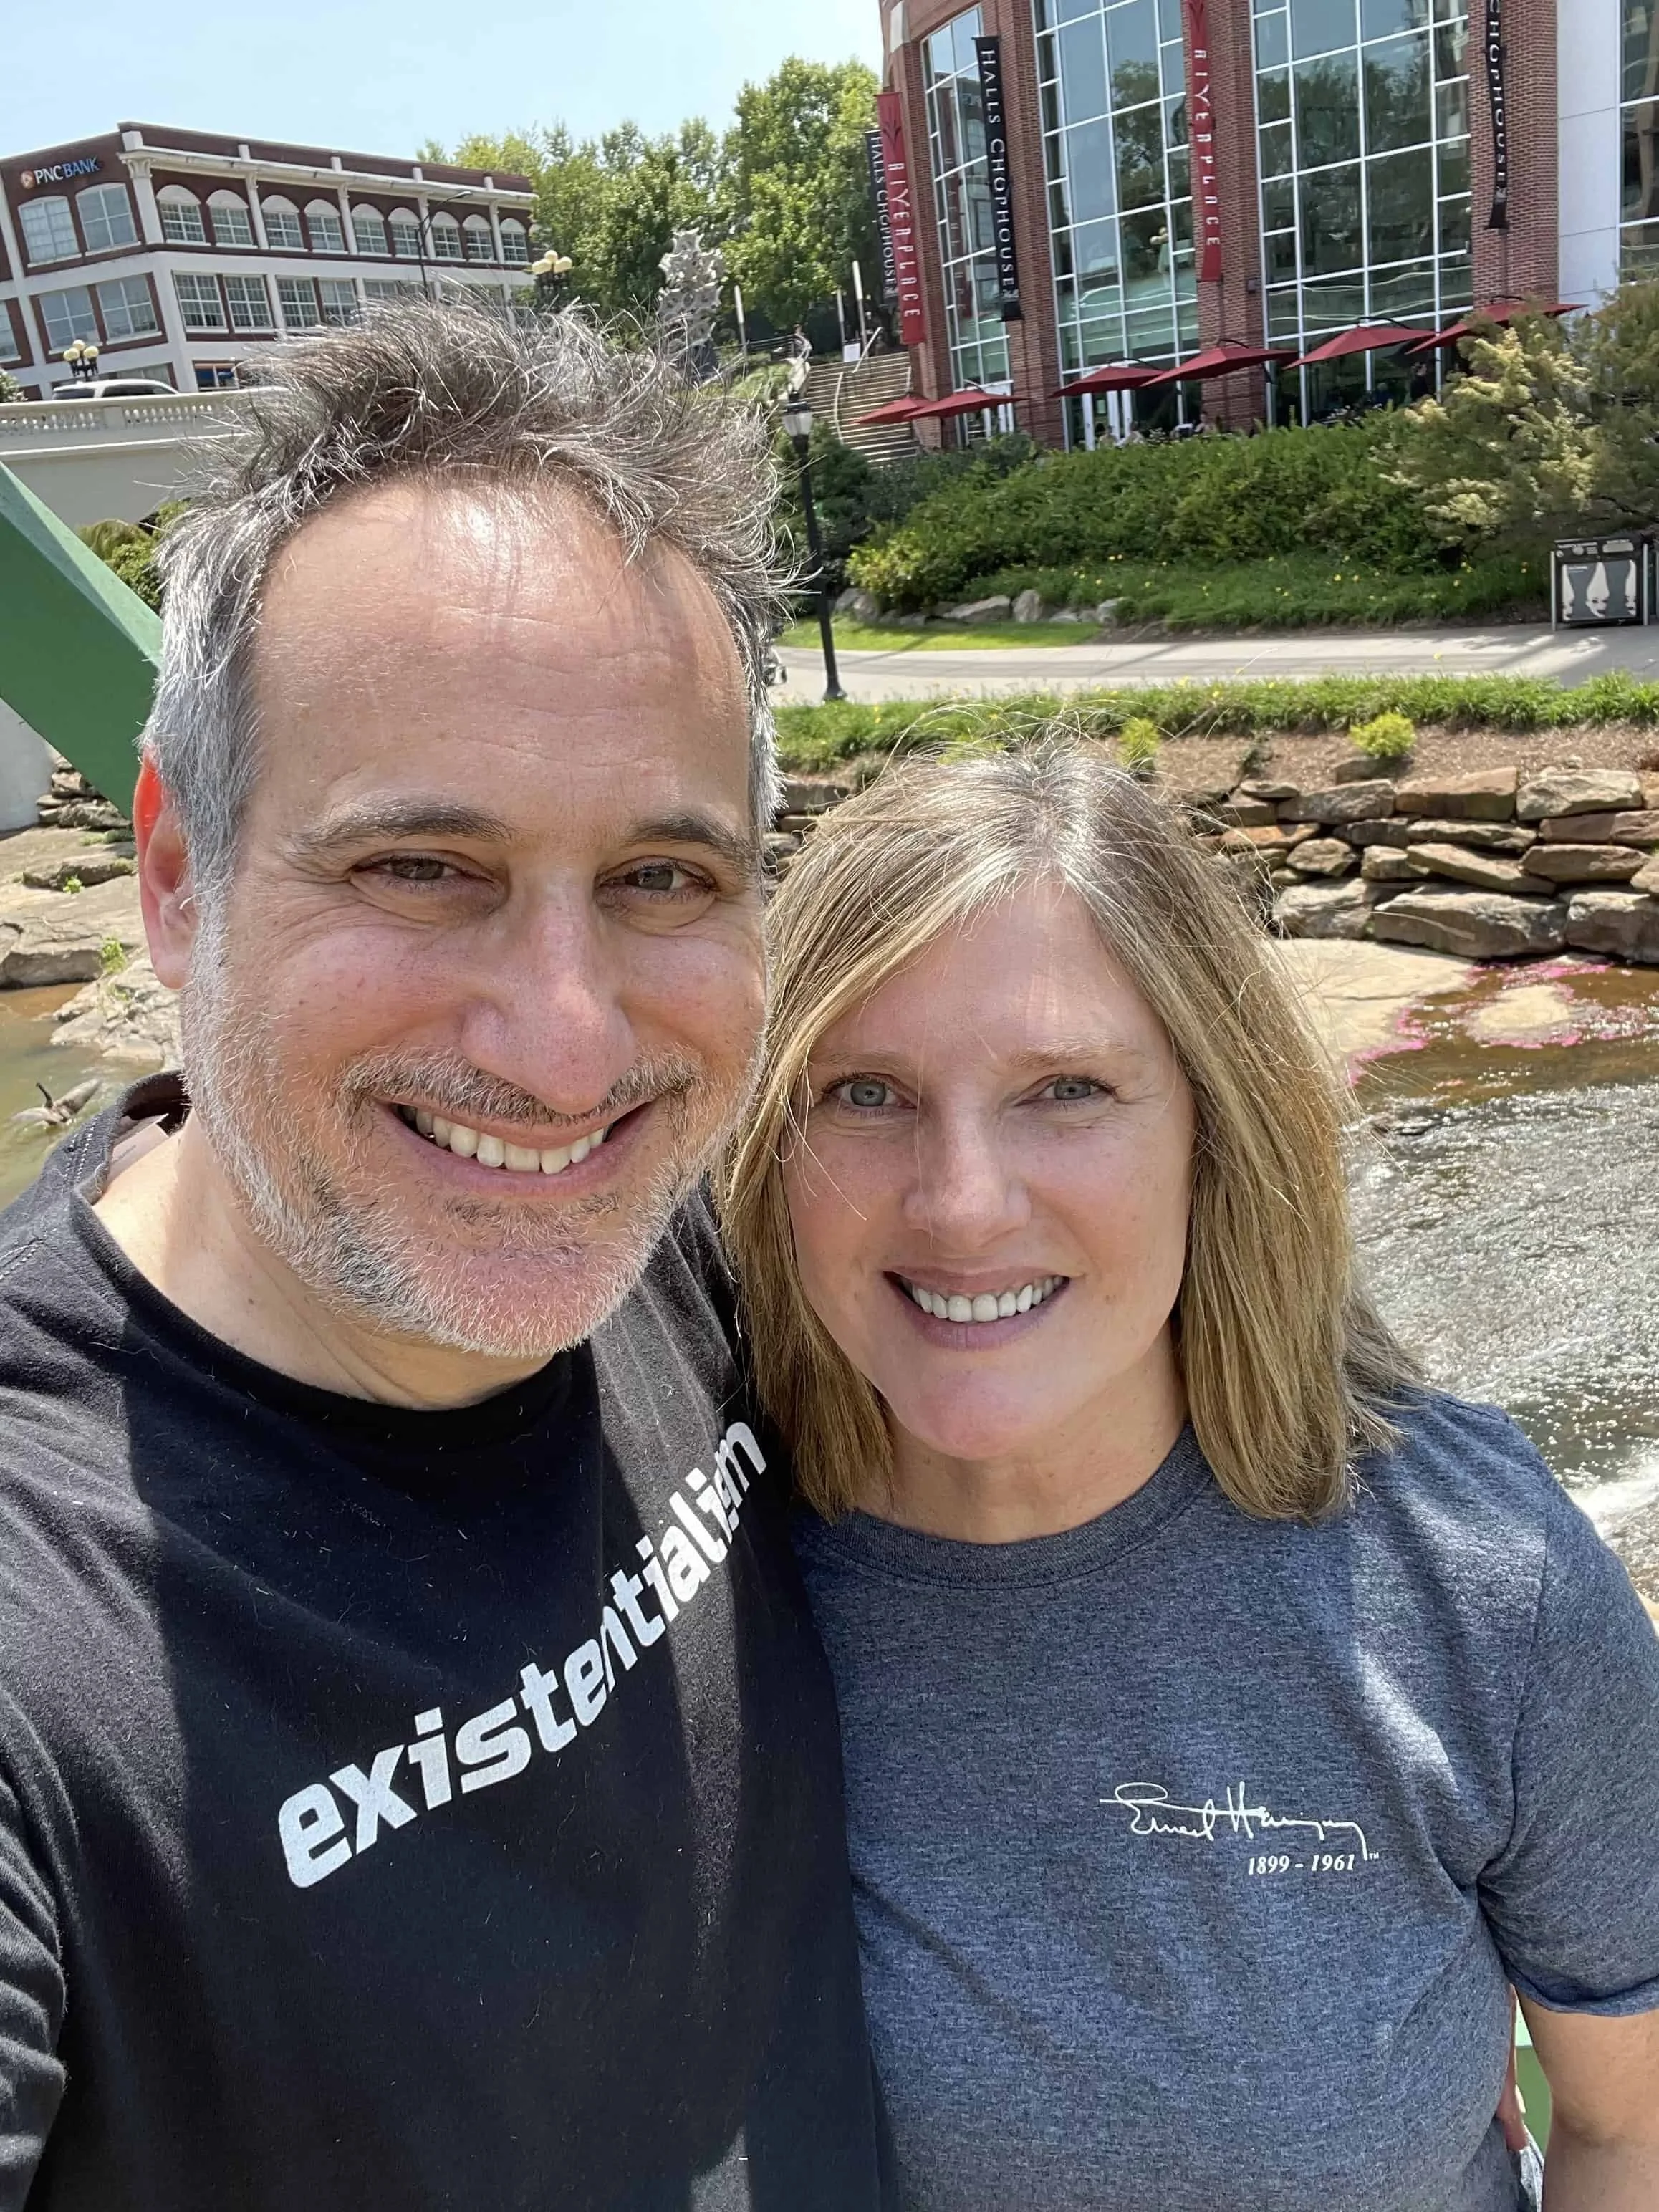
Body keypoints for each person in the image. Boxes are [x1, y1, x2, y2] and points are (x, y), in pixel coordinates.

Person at [0, 303, 883, 2208]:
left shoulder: (720, 1245)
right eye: (421, 870)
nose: (566, 1048)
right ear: (175, 878)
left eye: (662, 879)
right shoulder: (36, 1610)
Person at [718, 738, 1659, 2211]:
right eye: (866, 1094)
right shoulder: (693, 1576)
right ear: (768, 1146)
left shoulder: (1480, 1579)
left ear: (1216, 1131)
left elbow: (1628, 2129)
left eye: (1066, 1088)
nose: (963, 1199)